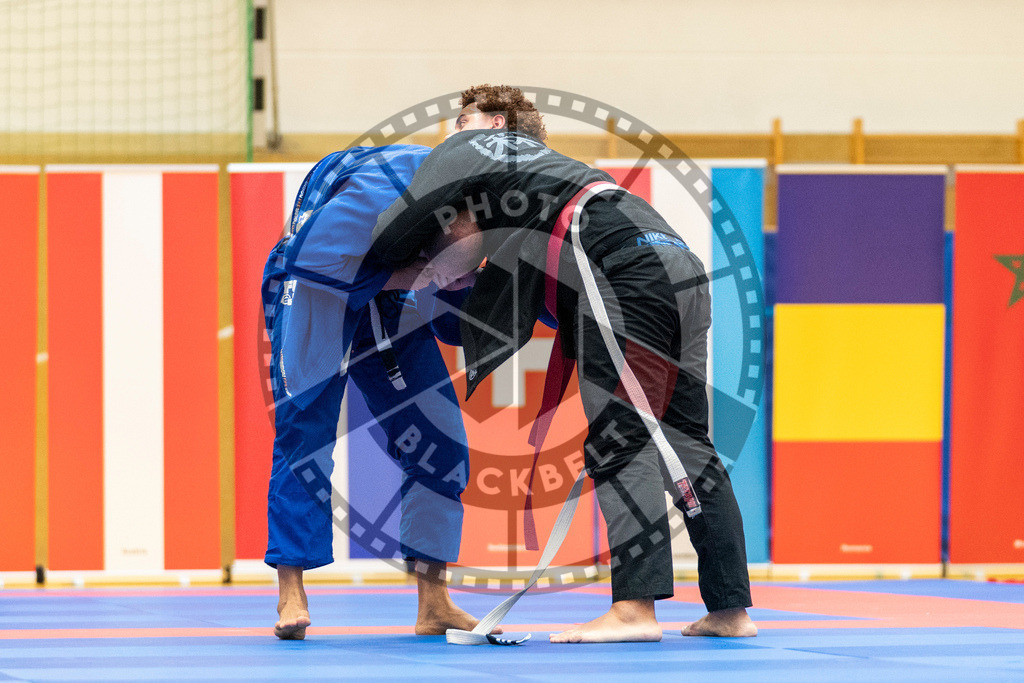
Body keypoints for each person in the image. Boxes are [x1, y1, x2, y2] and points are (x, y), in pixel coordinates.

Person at [371, 84, 757, 643]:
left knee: (619, 440)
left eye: (462, 120)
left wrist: (382, 256)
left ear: (495, 123)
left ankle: (634, 610)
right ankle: (730, 608)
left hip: (627, 274)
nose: (451, 131)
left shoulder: (475, 147)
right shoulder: (549, 176)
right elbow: (515, 307)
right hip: (679, 268)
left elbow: (392, 232)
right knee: (686, 440)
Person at [261, 144, 488, 640]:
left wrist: (456, 280)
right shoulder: (374, 198)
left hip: (391, 291)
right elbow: (307, 259)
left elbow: (465, 312)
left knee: (438, 440)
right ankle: (290, 590)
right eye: (446, 269)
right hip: (314, 287)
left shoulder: (484, 199)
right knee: (307, 434)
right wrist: (416, 274)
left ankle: (434, 602)